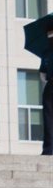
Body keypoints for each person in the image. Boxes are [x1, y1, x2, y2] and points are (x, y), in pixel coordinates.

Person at [41, 26, 53, 156]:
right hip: (50, 86)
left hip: (50, 84)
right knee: (48, 118)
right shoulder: (46, 52)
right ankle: (48, 149)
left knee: (49, 118)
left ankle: (48, 150)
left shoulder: (46, 52)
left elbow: (43, 75)